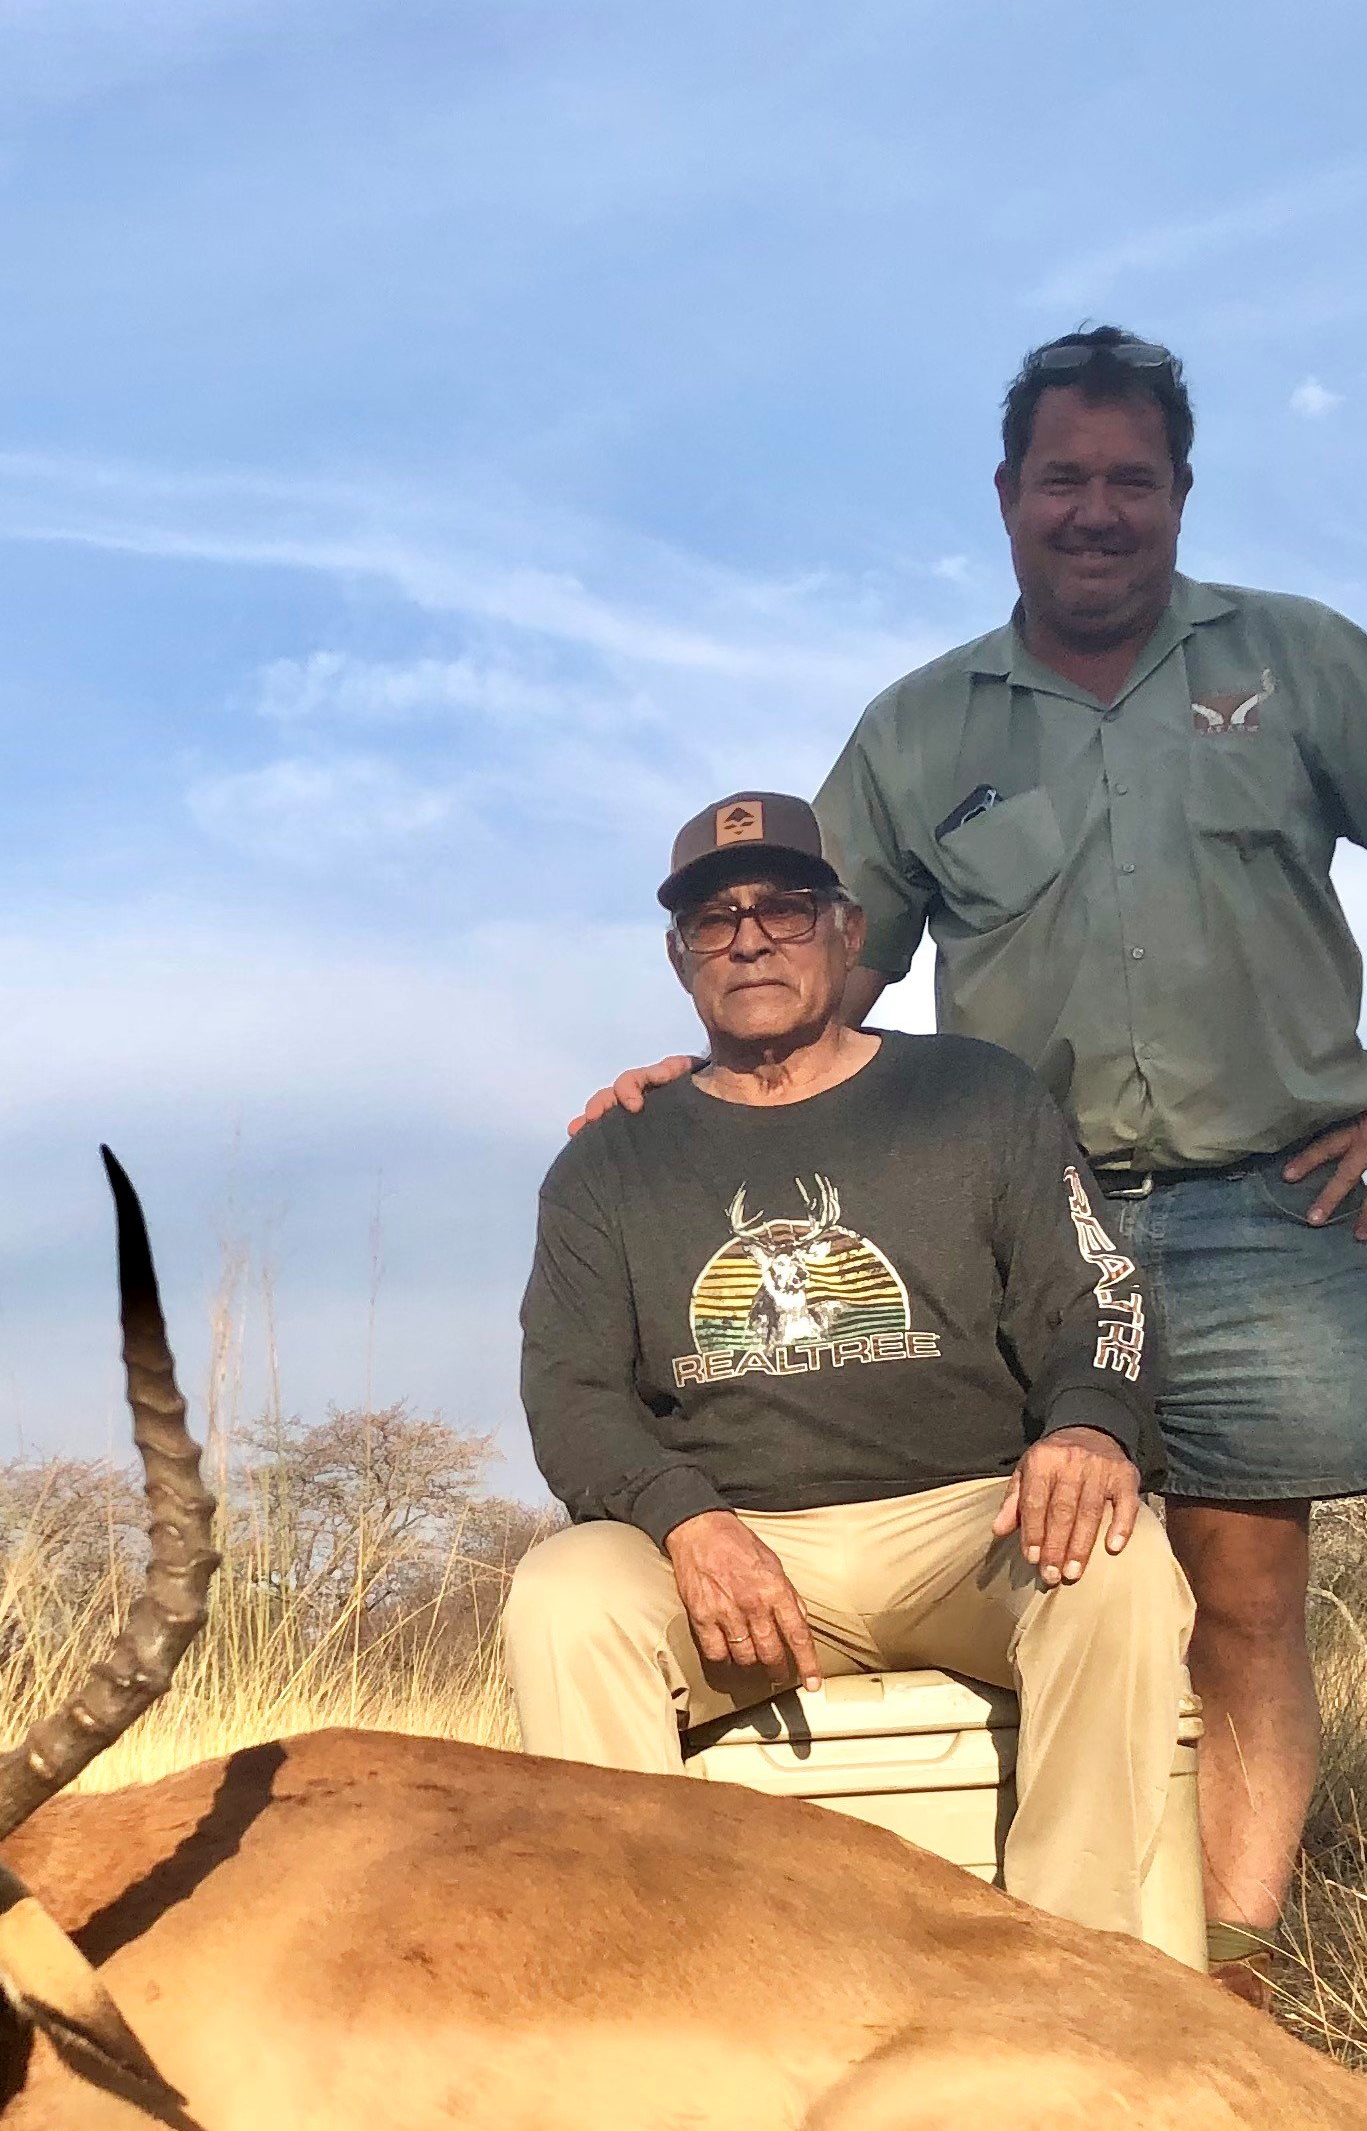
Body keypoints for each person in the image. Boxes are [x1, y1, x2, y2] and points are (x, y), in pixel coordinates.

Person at [580, 330, 1367, 2009]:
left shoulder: (1293, 662)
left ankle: (1225, 1960)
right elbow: (818, 957)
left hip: (1270, 1193)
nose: (1094, 512)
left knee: (1240, 1590)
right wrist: (704, 1076)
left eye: (1129, 480)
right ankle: (1014, 1948)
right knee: (1046, 1564)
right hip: (1007, 1213)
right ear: (1007, 497)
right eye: (1061, 480)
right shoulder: (921, 724)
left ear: (1177, 490)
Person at [502, 789, 1203, 1964]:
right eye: (715, 920)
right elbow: (568, 1396)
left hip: (966, 1529)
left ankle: (1074, 1981)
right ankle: (641, 1989)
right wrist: (688, 1523)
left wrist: (1089, 1427)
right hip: (729, 1554)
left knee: (1116, 1567)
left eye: (784, 907)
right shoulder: (610, 1160)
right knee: (565, 1597)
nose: (751, 937)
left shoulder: (976, 1096)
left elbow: (1100, 1295)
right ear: (681, 962)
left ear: (847, 930)